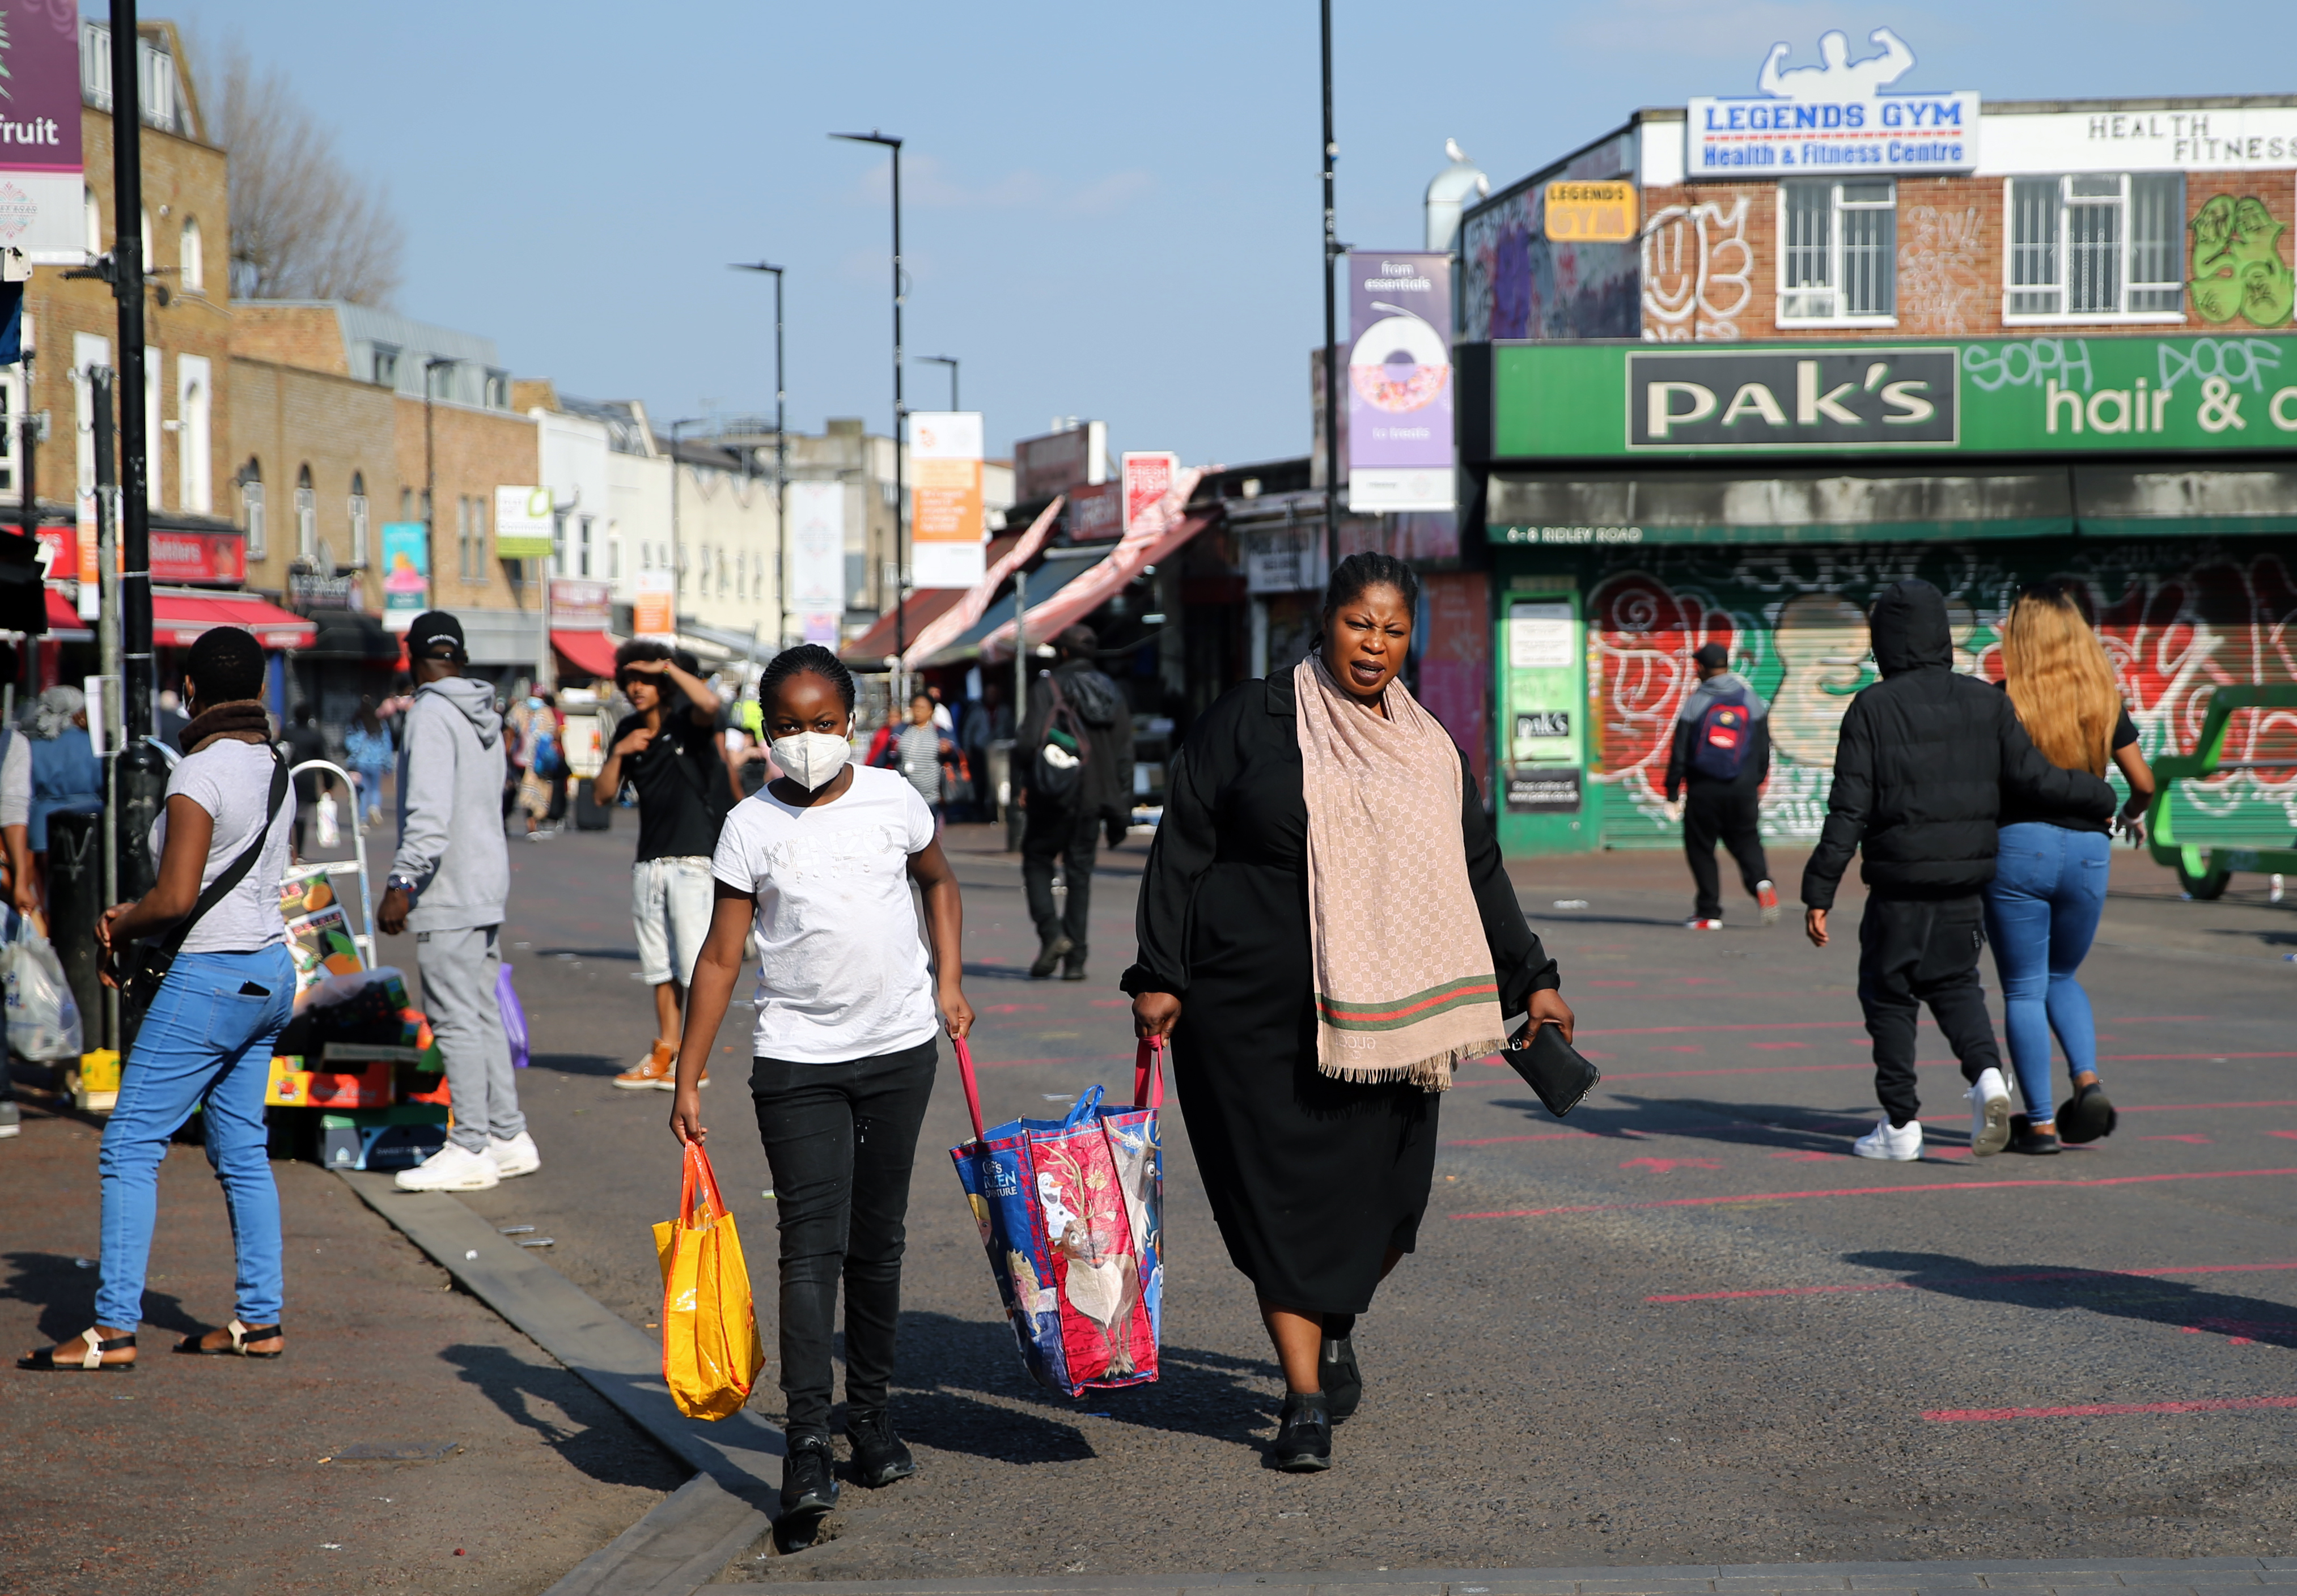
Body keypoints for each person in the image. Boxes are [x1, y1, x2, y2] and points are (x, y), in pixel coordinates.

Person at [1126, 553, 1573, 1472]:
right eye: (1359, 623)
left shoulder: (1427, 743)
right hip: (1250, 1011)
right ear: (1324, 622)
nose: (1375, 644)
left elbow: (1477, 865)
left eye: (1393, 629)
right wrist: (1160, 973)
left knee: (1391, 1203)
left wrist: (1532, 976)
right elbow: (1182, 844)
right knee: (1278, 1204)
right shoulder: (1250, 719)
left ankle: (1335, 1323)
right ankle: (1302, 1402)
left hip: (1392, 1020)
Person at [668, 644, 973, 1535]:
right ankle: (806, 1443)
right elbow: (721, 957)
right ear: (767, 731)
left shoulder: (894, 799)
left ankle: (869, 1421)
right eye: (790, 726)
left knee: (879, 1243)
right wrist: (688, 1074)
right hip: (797, 1063)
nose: (808, 740)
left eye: (825, 723)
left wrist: (950, 981)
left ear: (851, 723)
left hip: (900, 1051)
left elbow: (939, 883)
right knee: (810, 1250)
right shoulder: (749, 825)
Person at [18, 626, 296, 1370]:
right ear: (260, 689)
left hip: (211, 979)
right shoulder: (274, 767)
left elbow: (174, 897)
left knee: (129, 1145)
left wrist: (119, 922)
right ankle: (259, 1319)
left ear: (192, 690)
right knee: (243, 1149)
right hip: (270, 972)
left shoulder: (197, 773)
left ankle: (112, 1329)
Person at [1801, 579, 2116, 1163]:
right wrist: (2098, 795)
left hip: (1898, 886)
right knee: (1956, 985)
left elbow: (1849, 808)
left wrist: (1819, 889)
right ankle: (1988, 1075)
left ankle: (1900, 1124)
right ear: (1942, 636)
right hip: (1965, 884)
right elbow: (2034, 779)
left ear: (1883, 641)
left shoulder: (1871, 707)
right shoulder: (1985, 702)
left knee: (1888, 995)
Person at [1985, 583, 2155, 1155]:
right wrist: (2129, 816)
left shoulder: (2005, 701)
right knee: (2062, 975)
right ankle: (2087, 1081)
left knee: (2023, 988)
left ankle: (2038, 1125)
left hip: (2018, 848)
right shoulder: (2103, 700)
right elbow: (2143, 783)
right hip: (2088, 852)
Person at [380, 612, 536, 1192]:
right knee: (480, 1011)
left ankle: (469, 1144)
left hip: (448, 886)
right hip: (485, 880)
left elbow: (427, 813)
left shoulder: (429, 713)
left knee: (454, 1019)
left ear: (412, 657)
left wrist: (402, 884)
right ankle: (506, 1135)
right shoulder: (484, 713)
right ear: (461, 658)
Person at [595, 642, 734, 1091]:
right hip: (649, 865)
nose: (636, 687)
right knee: (659, 967)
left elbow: (710, 704)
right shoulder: (629, 729)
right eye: (629, 680)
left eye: (646, 679)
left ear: (664, 682)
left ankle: (695, 1060)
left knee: (695, 966)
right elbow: (602, 795)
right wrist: (620, 753)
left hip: (693, 861)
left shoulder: (688, 722)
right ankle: (666, 1051)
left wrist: (669, 667)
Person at [1016, 626, 1135, 980]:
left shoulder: (1047, 688)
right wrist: (1122, 807)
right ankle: (1076, 960)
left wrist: (1024, 781)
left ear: (1064, 653)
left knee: (1037, 861)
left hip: (1052, 795)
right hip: (1095, 797)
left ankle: (1052, 934)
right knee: (1080, 874)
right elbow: (1125, 753)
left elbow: (1028, 743)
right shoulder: (1113, 692)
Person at [1665, 641, 1778, 930]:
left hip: (1704, 788)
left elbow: (1680, 750)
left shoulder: (1697, 700)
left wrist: (1673, 790)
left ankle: (1708, 912)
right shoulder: (1750, 699)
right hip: (1743, 788)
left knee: (1701, 847)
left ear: (1702, 668)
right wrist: (1755, 781)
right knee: (1747, 840)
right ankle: (1761, 882)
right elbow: (1763, 747)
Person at [25, 686, 103, 876]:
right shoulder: (94, 745)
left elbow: (27, 791)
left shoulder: (33, 747)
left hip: (42, 827)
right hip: (89, 822)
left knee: (48, 887)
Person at [893, 691, 959, 825]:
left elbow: (957, 755)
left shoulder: (940, 732)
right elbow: (887, 756)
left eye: (922, 708)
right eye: (915, 707)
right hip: (906, 794)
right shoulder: (901, 730)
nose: (918, 711)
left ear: (931, 711)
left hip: (931, 797)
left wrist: (949, 750)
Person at [282, 705, 329, 857]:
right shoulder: (314, 736)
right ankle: (299, 853)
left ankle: (286, 851)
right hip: (307, 780)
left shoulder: (287, 733)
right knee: (301, 817)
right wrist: (329, 783)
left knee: (285, 815)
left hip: (288, 778)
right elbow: (323, 760)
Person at [344, 697, 395, 827]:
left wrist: (352, 760)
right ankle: (374, 807)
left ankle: (363, 821)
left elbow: (350, 743)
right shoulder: (380, 724)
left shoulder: (355, 724)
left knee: (362, 792)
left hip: (360, 763)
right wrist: (388, 764)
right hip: (376, 762)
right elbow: (386, 744)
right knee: (375, 789)